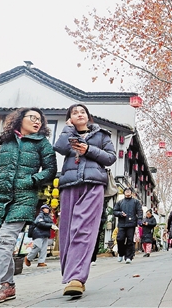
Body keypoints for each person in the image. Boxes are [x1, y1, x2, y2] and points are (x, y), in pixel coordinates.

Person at [0, 108, 57, 307]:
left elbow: (50, 170)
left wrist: (32, 180)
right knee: (0, 245)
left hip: (23, 198)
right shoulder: (2, 140)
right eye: (33, 118)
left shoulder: (42, 143)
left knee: (5, 241)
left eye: (40, 120)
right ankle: (9, 285)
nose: (37, 122)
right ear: (20, 119)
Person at [54, 104, 117, 297]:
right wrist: (68, 129)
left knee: (83, 228)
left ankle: (77, 278)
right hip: (69, 185)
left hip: (93, 185)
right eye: (75, 113)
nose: (79, 114)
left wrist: (88, 149)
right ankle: (70, 275)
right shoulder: (68, 133)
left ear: (88, 116)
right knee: (67, 230)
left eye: (82, 112)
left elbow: (111, 158)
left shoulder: (102, 135)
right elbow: (60, 148)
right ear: (70, 118)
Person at [113, 188, 143, 264]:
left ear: (131, 193)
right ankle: (121, 253)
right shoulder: (120, 202)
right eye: (126, 191)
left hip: (131, 224)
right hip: (122, 224)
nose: (127, 192)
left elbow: (139, 211)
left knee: (130, 240)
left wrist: (139, 220)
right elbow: (115, 211)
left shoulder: (136, 202)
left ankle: (128, 257)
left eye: (129, 191)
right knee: (120, 239)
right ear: (124, 193)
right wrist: (120, 214)